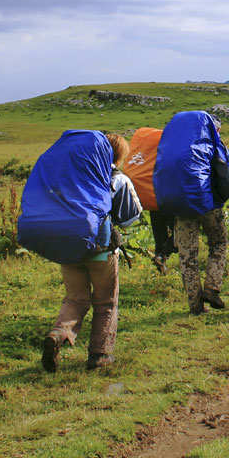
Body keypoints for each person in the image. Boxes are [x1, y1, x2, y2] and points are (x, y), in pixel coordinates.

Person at [42, 132, 141, 372]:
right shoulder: (117, 179)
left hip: (68, 246)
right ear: (120, 154)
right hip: (101, 250)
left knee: (75, 298)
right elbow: (130, 219)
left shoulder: (74, 175)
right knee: (106, 301)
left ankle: (59, 334)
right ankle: (100, 354)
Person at [172, 114, 229, 315]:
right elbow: (226, 178)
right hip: (209, 205)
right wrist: (221, 199)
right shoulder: (215, 146)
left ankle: (195, 306)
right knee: (219, 243)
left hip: (181, 207)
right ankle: (212, 288)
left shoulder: (177, 148)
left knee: (187, 256)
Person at [149, 208, 176, 275]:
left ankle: (161, 268)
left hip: (155, 203)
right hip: (172, 203)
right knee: (181, 233)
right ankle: (162, 254)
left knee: (160, 238)